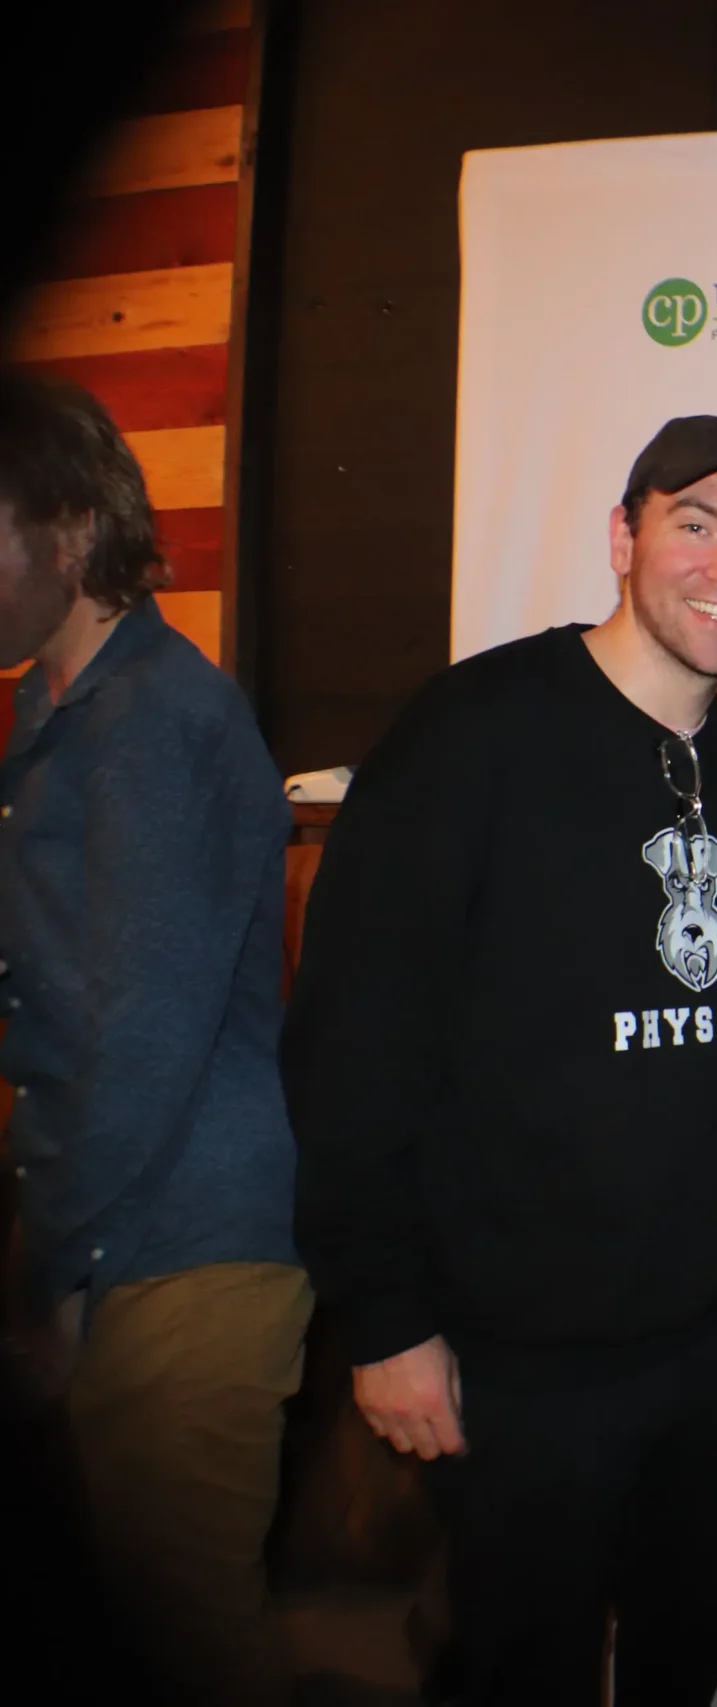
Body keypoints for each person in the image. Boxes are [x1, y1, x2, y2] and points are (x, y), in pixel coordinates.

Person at [285, 412, 717, 1706]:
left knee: (685, 1646)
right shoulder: (475, 731)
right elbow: (351, 1036)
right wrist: (388, 1313)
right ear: (623, 535)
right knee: (514, 1667)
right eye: (697, 525)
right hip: (513, 1361)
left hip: (704, 1359)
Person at [0, 375, 307, 1705]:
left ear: (70, 530)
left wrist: (44, 1271)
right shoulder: (54, 712)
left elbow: (140, 1038)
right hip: (124, 1212)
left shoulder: (154, 721)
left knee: (184, 1629)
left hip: (188, 1238)